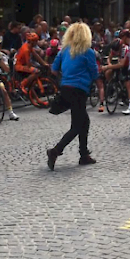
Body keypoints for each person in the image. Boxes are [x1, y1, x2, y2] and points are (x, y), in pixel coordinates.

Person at [46, 22, 98, 170]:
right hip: (79, 89)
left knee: (84, 121)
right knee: (77, 125)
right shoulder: (87, 52)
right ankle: (56, 150)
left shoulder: (64, 51)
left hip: (66, 88)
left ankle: (84, 154)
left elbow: (54, 70)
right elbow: (95, 73)